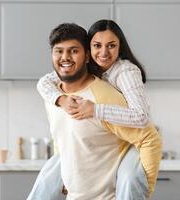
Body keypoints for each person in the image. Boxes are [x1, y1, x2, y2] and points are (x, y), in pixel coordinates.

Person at [28, 23, 162, 200]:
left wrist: (96, 110)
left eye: (111, 45)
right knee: (48, 176)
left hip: (133, 135)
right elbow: (45, 82)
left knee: (129, 179)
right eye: (97, 45)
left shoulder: (124, 73)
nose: (104, 53)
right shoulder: (58, 94)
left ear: (86, 56)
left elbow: (144, 125)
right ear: (91, 50)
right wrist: (60, 99)